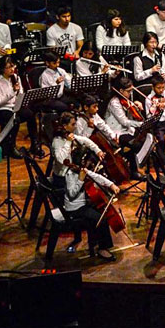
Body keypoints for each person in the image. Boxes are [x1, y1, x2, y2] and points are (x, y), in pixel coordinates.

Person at [53, 112, 120, 261]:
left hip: (80, 198)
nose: (75, 127)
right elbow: (71, 193)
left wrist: (111, 185)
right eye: (72, 124)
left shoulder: (78, 167)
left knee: (100, 209)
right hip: (74, 206)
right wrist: (82, 180)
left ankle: (95, 242)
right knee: (100, 219)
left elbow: (93, 173)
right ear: (64, 126)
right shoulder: (68, 168)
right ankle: (102, 248)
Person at [0, 56, 41, 157]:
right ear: (2, 69)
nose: (12, 69)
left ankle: (34, 144)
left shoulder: (16, 77)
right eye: (9, 67)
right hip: (2, 109)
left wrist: (20, 98)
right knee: (14, 119)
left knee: (30, 115)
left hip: (15, 106)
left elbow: (21, 93)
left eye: (13, 66)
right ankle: (11, 147)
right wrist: (13, 92)